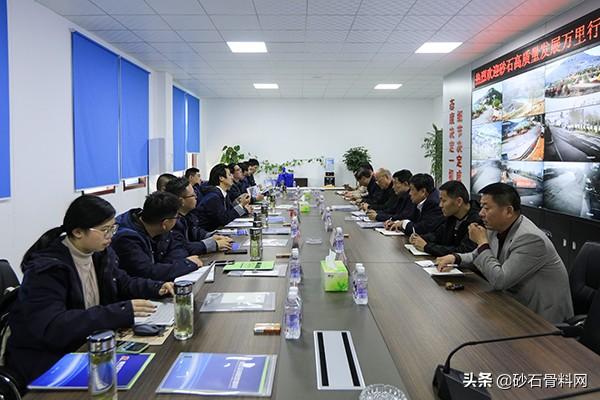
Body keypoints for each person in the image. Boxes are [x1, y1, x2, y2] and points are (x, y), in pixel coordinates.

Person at [6, 195, 174, 385]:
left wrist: (157, 287)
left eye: (113, 228)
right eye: (105, 230)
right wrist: (119, 312)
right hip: (51, 360)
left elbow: (122, 282)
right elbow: (54, 326)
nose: (111, 235)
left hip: (89, 345)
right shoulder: (46, 270)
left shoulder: (100, 254)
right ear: (78, 232)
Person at [436, 183, 573, 323]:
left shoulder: (530, 238)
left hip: (540, 318)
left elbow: (500, 280)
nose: (480, 213)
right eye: (481, 207)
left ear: (508, 211)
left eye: (486, 208)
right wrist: (455, 258)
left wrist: (482, 242)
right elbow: (477, 255)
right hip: (512, 304)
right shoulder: (496, 228)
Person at [111, 192, 203, 281]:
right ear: (165, 223)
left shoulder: (158, 225)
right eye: (176, 217)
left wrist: (164, 268)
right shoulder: (126, 239)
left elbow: (179, 249)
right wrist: (185, 264)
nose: (177, 221)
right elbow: (147, 273)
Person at [409, 180, 481, 256]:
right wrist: (420, 238)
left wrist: (427, 247)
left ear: (459, 201)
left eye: (444, 201)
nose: (440, 205)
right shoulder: (451, 216)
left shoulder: (477, 221)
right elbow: (437, 236)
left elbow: (463, 251)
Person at [165, 177, 233, 254]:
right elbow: (182, 247)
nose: (196, 197)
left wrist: (212, 236)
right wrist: (214, 244)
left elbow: (196, 232)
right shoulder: (172, 222)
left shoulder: (189, 215)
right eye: (192, 195)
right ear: (181, 201)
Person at [194, 163, 253, 231]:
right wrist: (241, 205)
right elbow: (224, 219)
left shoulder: (224, 193)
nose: (232, 177)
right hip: (209, 233)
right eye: (229, 175)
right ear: (221, 178)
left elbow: (230, 212)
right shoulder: (213, 197)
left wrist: (244, 209)